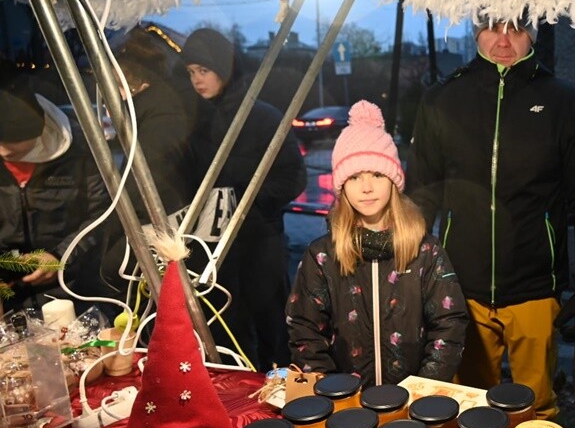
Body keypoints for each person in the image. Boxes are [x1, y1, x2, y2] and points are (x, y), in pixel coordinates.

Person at [407, 0, 575, 420]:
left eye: (517, 25)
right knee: (469, 407)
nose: (504, 38)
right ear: (476, 28)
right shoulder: (443, 99)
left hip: (535, 288)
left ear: (532, 30)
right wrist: (407, 262)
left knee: (535, 409)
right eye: (493, 25)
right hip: (461, 286)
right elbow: (422, 190)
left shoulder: (565, 102)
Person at [286, 100, 468, 387]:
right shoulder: (322, 256)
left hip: (413, 405)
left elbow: (450, 324)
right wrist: (334, 393)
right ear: (342, 185)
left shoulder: (425, 251)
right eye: (355, 176)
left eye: (377, 175)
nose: (367, 187)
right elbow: (305, 329)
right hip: (347, 407)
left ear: (394, 181)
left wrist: (423, 391)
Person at [181, 28, 306, 371]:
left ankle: (281, 403)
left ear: (223, 68)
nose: (196, 80)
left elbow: (293, 176)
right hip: (210, 252)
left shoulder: (262, 117)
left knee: (272, 332)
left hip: (258, 244)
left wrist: (245, 199)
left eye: (203, 71)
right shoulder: (193, 122)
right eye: (191, 72)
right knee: (226, 335)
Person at [0, 68, 110, 316]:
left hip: (74, 290)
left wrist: (60, 257)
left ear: (38, 131)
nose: (3, 152)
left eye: (12, 142)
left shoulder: (80, 153)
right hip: (9, 295)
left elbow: (101, 216)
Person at [100, 28, 199, 300]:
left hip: (162, 228)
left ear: (131, 81)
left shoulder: (159, 115)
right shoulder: (151, 110)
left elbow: (146, 179)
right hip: (160, 227)